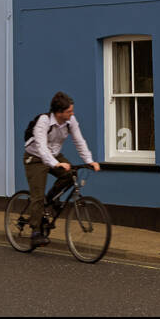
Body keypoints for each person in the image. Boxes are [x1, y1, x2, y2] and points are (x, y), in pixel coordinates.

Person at [23, 91, 99, 246]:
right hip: (35, 158)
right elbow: (41, 147)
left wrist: (89, 161)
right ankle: (35, 231)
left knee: (71, 175)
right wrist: (55, 163)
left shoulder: (71, 121)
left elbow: (79, 141)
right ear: (58, 112)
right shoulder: (44, 121)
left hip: (55, 155)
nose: (72, 113)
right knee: (37, 194)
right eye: (69, 111)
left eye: (72, 110)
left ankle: (50, 200)